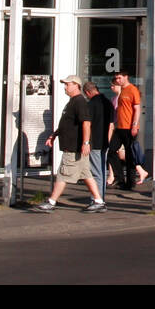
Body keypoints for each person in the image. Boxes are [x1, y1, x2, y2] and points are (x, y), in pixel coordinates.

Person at [35, 76, 105, 212]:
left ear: (76, 85)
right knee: (86, 174)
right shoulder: (72, 102)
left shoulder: (79, 102)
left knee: (63, 174)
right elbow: (66, 123)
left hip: (74, 147)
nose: (65, 87)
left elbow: (86, 123)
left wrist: (86, 142)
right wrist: (54, 135)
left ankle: (51, 201)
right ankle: (98, 201)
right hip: (75, 147)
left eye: (67, 84)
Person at [108, 71, 143, 189]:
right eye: (116, 78)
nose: (118, 80)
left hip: (129, 127)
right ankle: (120, 179)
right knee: (112, 151)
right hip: (120, 126)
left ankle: (130, 182)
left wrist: (134, 125)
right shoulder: (122, 91)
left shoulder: (132, 90)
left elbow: (137, 109)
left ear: (126, 77)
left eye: (120, 78)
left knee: (129, 154)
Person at [83, 81, 114, 199]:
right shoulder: (108, 103)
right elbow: (111, 125)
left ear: (87, 92)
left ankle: (97, 199)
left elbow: (87, 124)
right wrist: (108, 141)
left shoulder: (91, 104)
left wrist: (86, 142)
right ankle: (101, 196)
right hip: (105, 142)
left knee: (95, 172)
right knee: (102, 170)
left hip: (94, 142)